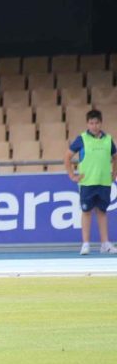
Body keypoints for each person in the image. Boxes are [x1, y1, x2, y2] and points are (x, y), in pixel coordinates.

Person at [64, 109, 117, 255]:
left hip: (104, 182)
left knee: (102, 212)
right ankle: (86, 244)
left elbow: (115, 157)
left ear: (101, 123)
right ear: (87, 124)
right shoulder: (81, 139)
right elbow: (67, 157)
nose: (94, 126)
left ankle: (105, 244)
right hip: (87, 182)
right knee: (86, 212)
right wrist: (72, 175)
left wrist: (114, 173)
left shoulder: (108, 139)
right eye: (91, 123)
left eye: (97, 123)